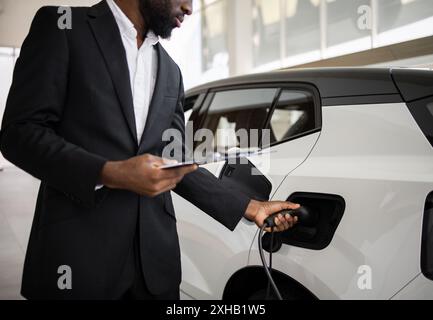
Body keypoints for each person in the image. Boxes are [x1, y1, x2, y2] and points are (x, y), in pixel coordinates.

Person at [0, 0, 299, 300]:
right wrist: (109, 172)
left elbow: (176, 162)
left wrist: (250, 206)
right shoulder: (62, 27)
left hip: (155, 269)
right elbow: (20, 133)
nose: (190, 8)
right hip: (78, 261)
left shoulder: (171, 71)